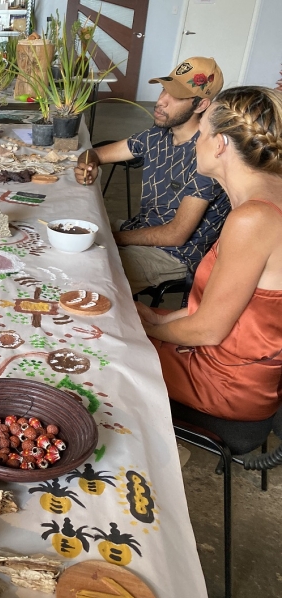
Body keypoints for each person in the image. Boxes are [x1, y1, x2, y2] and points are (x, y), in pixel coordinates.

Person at [138, 86, 282, 421]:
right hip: (227, 359)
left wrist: (144, 331)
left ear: (220, 145)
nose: (195, 142)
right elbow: (227, 311)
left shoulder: (253, 219)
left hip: (224, 381)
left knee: (99, 349)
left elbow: (207, 330)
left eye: (201, 133)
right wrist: (154, 316)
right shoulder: (265, 200)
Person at [75, 57, 231, 294]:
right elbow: (94, 153)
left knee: (86, 273)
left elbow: (176, 235)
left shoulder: (209, 156)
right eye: (163, 90)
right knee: (69, 229)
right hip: (140, 229)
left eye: (176, 97)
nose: (161, 102)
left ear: (201, 105)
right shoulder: (157, 136)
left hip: (173, 256)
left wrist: (112, 238)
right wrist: (87, 167)